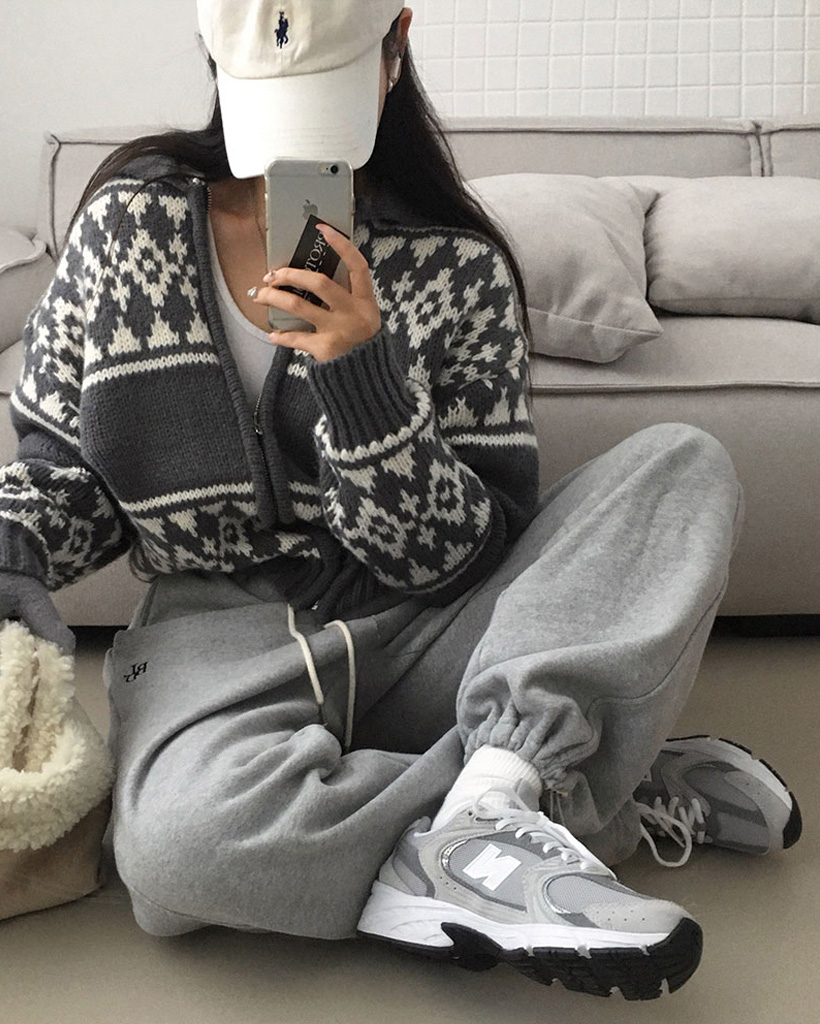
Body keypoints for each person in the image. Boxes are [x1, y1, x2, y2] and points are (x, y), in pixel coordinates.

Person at [0, 0, 801, 1002]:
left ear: (395, 49)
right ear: (213, 56)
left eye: (322, 104)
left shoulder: (458, 264)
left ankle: (500, 794)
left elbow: (465, 554)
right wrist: (14, 546)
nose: (292, 155)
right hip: (216, 638)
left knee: (680, 466)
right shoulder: (125, 228)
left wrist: (362, 382)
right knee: (174, 860)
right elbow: (67, 466)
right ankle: (566, 794)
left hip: (424, 621)